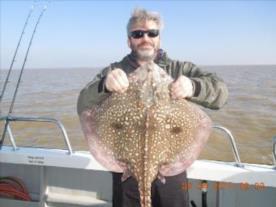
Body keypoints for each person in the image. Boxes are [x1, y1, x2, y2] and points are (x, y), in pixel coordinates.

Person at [77, 8, 228, 207]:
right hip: (126, 169)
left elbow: (221, 93)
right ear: (129, 40)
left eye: (152, 33)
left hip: (171, 165)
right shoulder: (114, 71)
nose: (145, 38)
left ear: (159, 38)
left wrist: (193, 86)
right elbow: (83, 105)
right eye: (137, 34)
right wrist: (103, 85)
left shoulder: (179, 69)